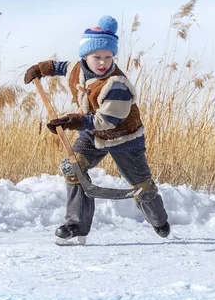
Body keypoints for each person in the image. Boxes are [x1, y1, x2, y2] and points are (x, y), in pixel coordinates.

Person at [24, 15, 170, 242]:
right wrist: (43, 68)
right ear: (85, 57)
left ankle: (159, 221)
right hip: (91, 135)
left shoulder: (116, 85)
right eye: (97, 57)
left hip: (124, 138)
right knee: (74, 169)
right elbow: (63, 66)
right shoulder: (77, 68)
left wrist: (73, 121)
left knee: (143, 187)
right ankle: (76, 226)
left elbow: (106, 121)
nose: (103, 62)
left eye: (108, 57)